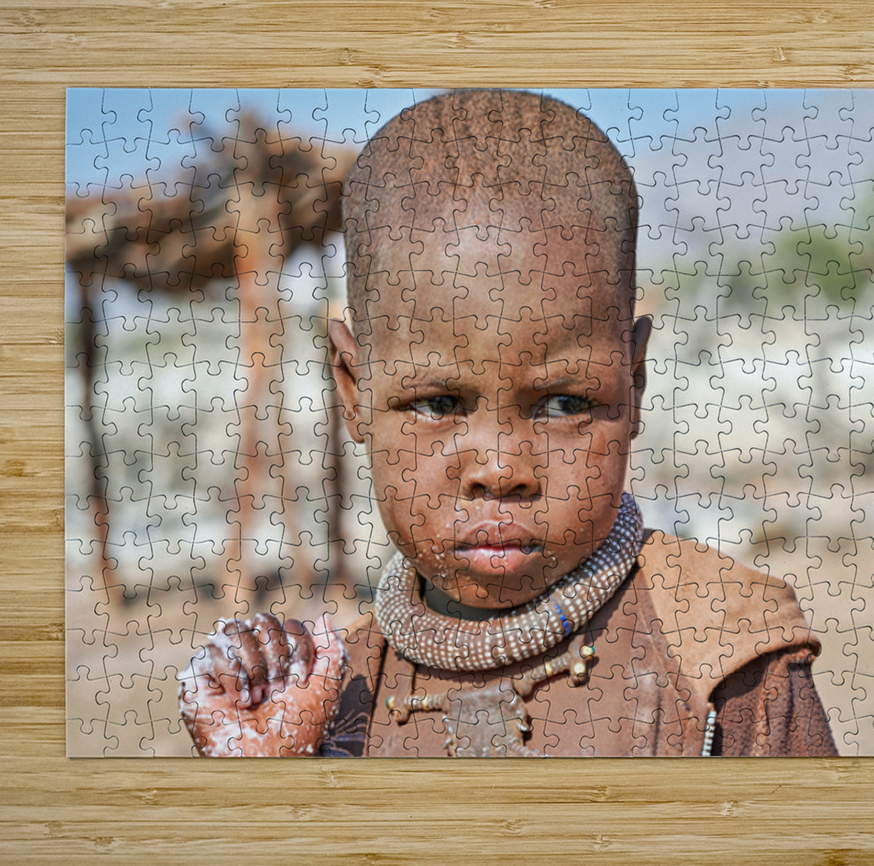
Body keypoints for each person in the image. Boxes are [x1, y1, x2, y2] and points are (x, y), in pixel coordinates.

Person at [177, 89, 838, 757]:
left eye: (564, 405)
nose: (501, 470)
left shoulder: (725, 654)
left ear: (633, 383)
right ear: (353, 391)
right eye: (438, 405)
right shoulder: (328, 701)